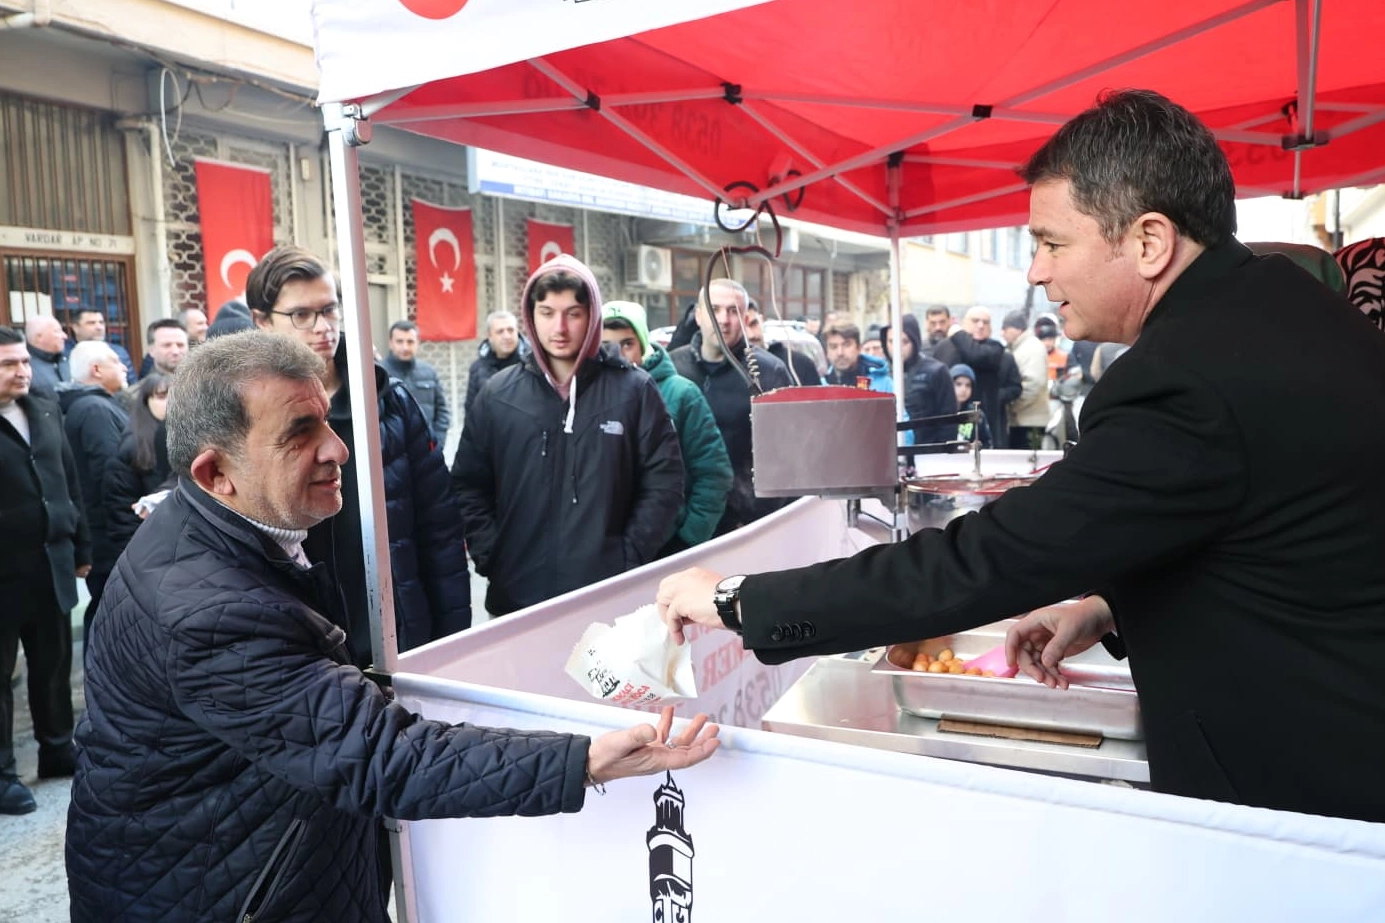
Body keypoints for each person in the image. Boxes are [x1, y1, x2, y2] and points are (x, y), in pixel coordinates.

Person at [657, 89, 1385, 824]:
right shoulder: (1281, 308)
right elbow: (1277, 531)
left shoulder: (1186, 377)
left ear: (1148, 242)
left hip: (1311, 788)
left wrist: (740, 599)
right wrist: (1107, 606)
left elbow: (985, 561)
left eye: (1051, 243)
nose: (1035, 272)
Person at [66, 331, 718, 921]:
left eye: (327, 417)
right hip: (225, 895)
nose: (338, 448)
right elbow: (380, 754)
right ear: (216, 472)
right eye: (299, 432)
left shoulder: (234, 535)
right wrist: (585, 759)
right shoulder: (207, 613)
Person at [248, 246, 472, 667]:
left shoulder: (388, 400)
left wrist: (452, 639)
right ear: (261, 321)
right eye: (301, 315)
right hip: (303, 640)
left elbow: (438, 526)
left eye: (330, 310)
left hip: (395, 626)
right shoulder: (246, 413)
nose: (322, 328)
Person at [452, 256, 684, 615]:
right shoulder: (498, 394)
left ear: (592, 317)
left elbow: (664, 483)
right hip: (517, 598)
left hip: (607, 599)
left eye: (573, 313)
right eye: (546, 312)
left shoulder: (634, 391)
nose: (559, 327)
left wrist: (627, 557)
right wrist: (492, 554)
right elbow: (468, 484)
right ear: (531, 316)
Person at [0, 327, 89, 816]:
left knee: (52, 666)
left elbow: (68, 482)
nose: (22, 371)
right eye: (9, 364)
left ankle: (57, 748)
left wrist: (81, 544)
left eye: (24, 362)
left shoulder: (45, 409)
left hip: (50, 562)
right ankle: (3, 772)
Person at [602, 300, 732, 555]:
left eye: (627, 344)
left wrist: (687, 540)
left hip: (667, 550)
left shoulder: (682, 395)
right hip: (609, 554)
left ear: (642, 344)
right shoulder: (588, 398)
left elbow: (714, 475)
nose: (617, 354)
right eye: (607, 345)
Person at [669, 279, 793, 534]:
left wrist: (757, 516)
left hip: (746, 524)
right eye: (714, 309)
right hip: (681, 522)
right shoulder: (673, 367)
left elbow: (787, 457)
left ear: (746, 318)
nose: (723, 319)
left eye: (733, 310)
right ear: (699, 315)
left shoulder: (769, 373)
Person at [59, 341, 131, 631]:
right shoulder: (94, 409)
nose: (125, 365)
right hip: (108, 532)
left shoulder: (98, 404)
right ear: (96, 369)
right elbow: (111, 474)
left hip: (105, 529)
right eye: (116, 360)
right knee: (108, 609)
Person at [103, 373, 173, 560]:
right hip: (149, 549)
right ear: (146, 401)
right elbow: (122, 515)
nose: (170, 402)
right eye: (161, 396)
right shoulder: (133, 447)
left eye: (175, 395)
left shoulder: (188, 439)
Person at [932, 306, 1022, 446]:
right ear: (965, 323)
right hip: (950, 419)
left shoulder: (995, 349)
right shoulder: (944, 347)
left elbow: (976, 354)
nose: (980, 325)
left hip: (987, 421)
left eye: (985, 322)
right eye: (975, 321)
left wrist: (995, 398)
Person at [878, 314, 957, 447]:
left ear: (914, 341)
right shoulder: (880, 373)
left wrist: (941, 454)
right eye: (891, 341)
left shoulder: (936, 371)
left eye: (904, 342)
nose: (897, 348)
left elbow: (948, 421)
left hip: (927, 453)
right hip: (888, 451)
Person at [382, 319, 451, 448]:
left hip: (427, 450)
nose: (405, 347)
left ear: (418, 343)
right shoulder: (379, 374)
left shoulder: (428, 372)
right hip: (392, 453)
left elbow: (442, 411)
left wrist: (437, 443)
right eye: (399, 341)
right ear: (390, 343)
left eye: (410, 342)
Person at [464, 310, 529, 422]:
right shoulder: (477, 368)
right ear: (490, 336)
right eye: (500, 332)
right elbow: (471, 412)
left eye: (510, 330)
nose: (507, 336)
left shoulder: (532, 364)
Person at [1000, 310, 1049, 449]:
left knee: (1029, 463)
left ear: (1017, 329)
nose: (1002, 333)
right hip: (1023, 419)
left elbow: (1033, 384)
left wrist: (1013, 406)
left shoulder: (1031, 348)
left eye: (1005, 329)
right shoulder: (1021, 347)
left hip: (1030, 421)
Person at [69, 308, 136, 385]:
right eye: (91, 323)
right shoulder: (65, 353)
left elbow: (132, 385)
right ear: (76, 328)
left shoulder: (118, 352)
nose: (99, 327)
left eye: (101, 322)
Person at [822, 322, 892, 392]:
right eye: (833, 347)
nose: (840, 353)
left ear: (859, 348)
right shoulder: (820, 386)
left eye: (847, 345)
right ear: (826, 352)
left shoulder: (885, 385)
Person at [24, 315, 70, 398]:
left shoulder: (68, 360)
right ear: (39, 337)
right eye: (57, 331)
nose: (65, 336)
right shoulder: (25, 367)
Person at [950, 364, 992, 449]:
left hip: (969, 460)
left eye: (968, 385)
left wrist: (978, 446)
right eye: (958, 384)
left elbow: (988, 443)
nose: (963, 389)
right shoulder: (941, 410)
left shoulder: (976, 413)